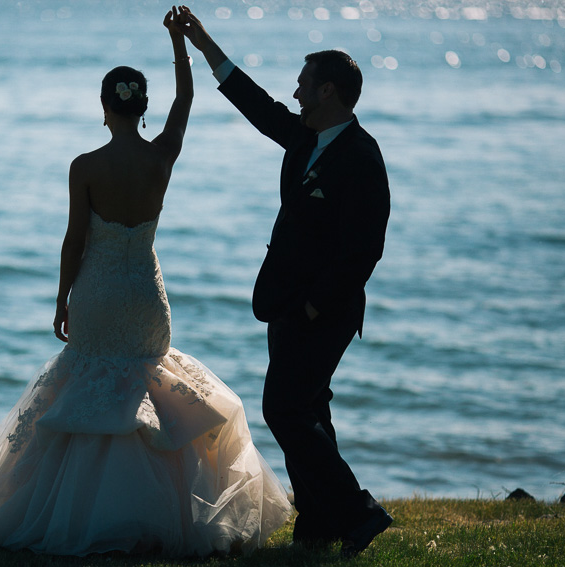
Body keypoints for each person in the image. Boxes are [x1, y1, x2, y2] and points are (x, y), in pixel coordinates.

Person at [0, 8, 291, 557]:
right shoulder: (162, 156)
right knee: (144, 385)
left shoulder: (84, 165)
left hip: (99, 293)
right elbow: (186, 102)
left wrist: (61, 299)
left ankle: (81, 511)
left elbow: (73, 241)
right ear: (143, 107)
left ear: (106, 108)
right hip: (144, 295)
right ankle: (165, 510)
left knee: (89, 386)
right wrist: (180, 45)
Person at [176, 6, 392, 557]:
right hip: (284, 302)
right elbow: (254, 102)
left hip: (325, 310)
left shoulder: (362, 157)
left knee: (284, 408)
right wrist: (204, 45)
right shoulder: (302, 136)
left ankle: (358, 512)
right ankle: (319, 524)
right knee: (309, 410)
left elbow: (363, 250)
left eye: (303, 84)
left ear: (328, 92)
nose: (294, 93)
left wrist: (317, 307)